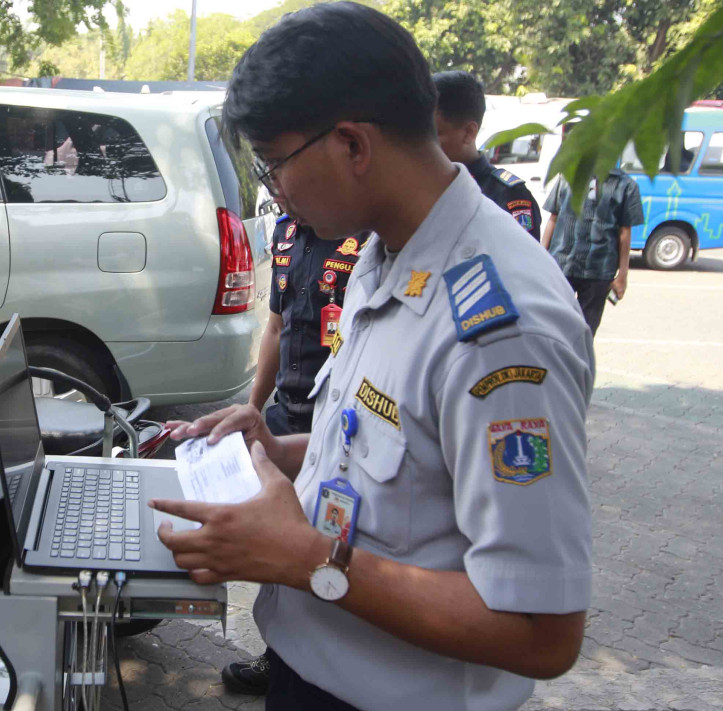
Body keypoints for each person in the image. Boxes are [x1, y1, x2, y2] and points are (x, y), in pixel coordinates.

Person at [151, 4, 594, 709]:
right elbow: (393, 458)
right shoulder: (387, 251)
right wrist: (278, 448)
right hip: (310, 670)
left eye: (275, 169)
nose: (278, 196)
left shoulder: (501, 330)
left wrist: (305, 559)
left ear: (351, 145)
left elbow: (540, 633)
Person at [222, 200, 363, 695]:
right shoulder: (285, 232)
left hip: (336, 422)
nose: (278, 189)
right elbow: (276, 327)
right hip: (285, 413)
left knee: (326, 544)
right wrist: (255, 407)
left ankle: (322, 666)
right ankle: (278, 653)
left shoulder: (362, 235)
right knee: (279, 540)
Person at [433, 70, 543, 241]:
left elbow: (520, 262)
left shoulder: (508, 195)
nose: (422, 144)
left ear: (469, 132)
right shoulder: (419, 188)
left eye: (433, 134)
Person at [541, 157, 643, 336]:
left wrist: (623, 275)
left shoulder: (625, 185)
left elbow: (624, 234)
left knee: (584, 332)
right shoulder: (568, 176)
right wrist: (540, 258)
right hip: (562, 265)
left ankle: (576, 363)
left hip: (598, 270)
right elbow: (553, 218)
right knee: (553, 326)